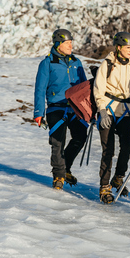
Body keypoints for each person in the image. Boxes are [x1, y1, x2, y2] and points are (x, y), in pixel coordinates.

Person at [34, 29, 89, 189]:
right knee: (57, 142)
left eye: (71, 42)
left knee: (80, 137)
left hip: (74, 109)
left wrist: (88, 110)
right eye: (67, 43)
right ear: (58, 44)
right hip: (55, 108)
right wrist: (38, 113)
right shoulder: (47, 63)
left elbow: (84, 87)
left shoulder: (76, 62)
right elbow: (40, 88)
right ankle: (58, 176)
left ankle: (65, 168)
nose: (71, 45)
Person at [93, 32, 130, 204]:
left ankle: (118, 178)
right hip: (107, 110)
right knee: (108, 150)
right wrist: (101, 111)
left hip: (125, 112)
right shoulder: (106, 64)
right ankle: (104, 186)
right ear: (119, 47)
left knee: (127, 147)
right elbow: (98, 90)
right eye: (128, 47)